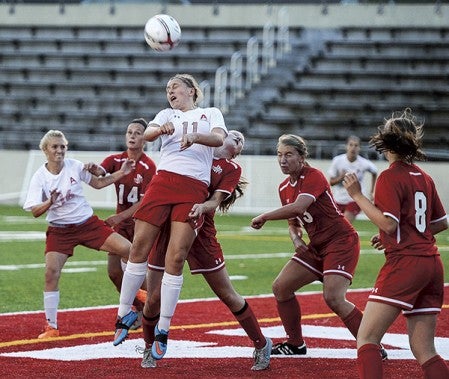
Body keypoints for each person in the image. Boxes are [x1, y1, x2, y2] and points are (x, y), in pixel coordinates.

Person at [138, 130, 272, 371]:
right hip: (170, 228)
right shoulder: (195, 151)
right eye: (233, 134)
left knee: (227, 293)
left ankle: (261, 344)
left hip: (200, 229)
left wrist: (202, 205)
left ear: (237, 151)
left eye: (240, 140)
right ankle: (149, 347)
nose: (236, 138)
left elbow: (215, 201)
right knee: (153, 298)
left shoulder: (231, 169)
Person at [113, 74, 227, 353]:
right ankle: (124, 313)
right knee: (139, 245)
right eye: (167, 89)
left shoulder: (209, 113)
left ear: (191, 90)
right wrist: (159, 130)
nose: (170, 92)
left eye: (174, 87)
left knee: (175, 257)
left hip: (193, 185)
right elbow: (148, 133)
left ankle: (164, 328)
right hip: (164, 181)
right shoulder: (166, 114)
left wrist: (195, 136)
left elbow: (218, 139)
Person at [250, 134, 386, 359]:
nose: (283, 160)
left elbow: (298, 207)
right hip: (318, 245)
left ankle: (373, 347)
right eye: (279, 155)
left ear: (302, 157)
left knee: (333, 298)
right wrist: (296, 240)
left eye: (289, 155)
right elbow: (293, 221)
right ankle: (296, 344)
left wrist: (265, 216)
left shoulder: (314, 176)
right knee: (281, 288)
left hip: (340, 241)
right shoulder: (284, 187)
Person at [342, 109, 449, 379]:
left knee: (366, 338)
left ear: (387, 141)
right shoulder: (425, 177)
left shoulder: (390, 176)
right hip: (432, 265)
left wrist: (358, 195)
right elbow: (440, 222)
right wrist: (399, 234)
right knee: (424, 349)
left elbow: (389, 223)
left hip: (406, 264)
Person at [22, 130, 135, 339]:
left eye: (63, 146)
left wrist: (122, 173)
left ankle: (136, 298)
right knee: (51, 273)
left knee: (128, 249)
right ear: (45, 150)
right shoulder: (40, 177)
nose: (59, 150)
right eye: (55, 147)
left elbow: (99, 183)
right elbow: (35, 211)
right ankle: (51, 327)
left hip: (87, 224)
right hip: (59, 230)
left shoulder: (74, 165)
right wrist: (50, 202)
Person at [86, 118, 157, 326]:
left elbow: (145, 202)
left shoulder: (148, 166)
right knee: (115, 272)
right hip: (120, 225)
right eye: (129, 132)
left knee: (135, 271)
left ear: (145, 138)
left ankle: (148, 310)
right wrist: (93, 168)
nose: (132, 136)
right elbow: (102, 171)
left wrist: (120, 217)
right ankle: (139, 307)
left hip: (139, 225)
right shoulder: (116, 160)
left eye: (137, 133)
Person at [328, 135, 378, 223]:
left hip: (355, 199)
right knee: (336, 226)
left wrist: (372, 191)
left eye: (356, 145)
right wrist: (340, 177)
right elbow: (331, 182)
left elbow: (374, 172)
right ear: (346, 146)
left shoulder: (364, 163)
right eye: (351, 145)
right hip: (339, 199)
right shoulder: (337, 161)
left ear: (359, 148)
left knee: (345, 223)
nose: (353, 148)